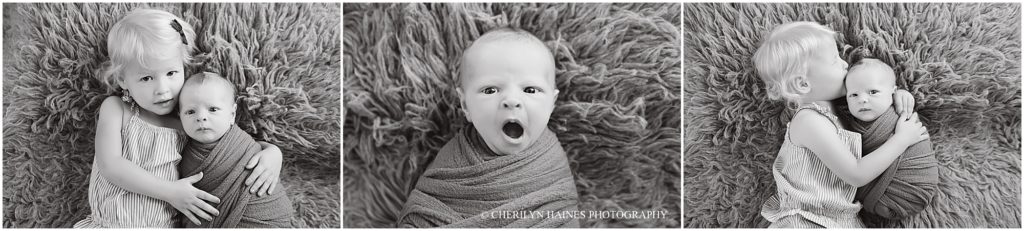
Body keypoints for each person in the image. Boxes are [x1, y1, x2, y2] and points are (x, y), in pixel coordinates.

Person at [75, 9, 283, 228]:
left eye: (171, 73)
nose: (162, 89)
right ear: (123, 80)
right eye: (146, 78)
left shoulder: (186, 122)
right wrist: (170, 192)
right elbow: (111, 166)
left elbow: (229, 145)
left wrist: (271, 152)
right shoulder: (118, 110)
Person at [751, 21, 929, 228]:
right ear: (803, 84)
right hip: (806, 220)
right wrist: (901, 139)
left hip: (841, 220)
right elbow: (856, 174)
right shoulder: (809, 121)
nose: (845, 64)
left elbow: (869, 104)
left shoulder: (841, 109)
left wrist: (892, 94)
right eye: (835, 61)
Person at [397, 27, 580, 228]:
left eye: (530, 89)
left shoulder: (552, 161)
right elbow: (422, 214)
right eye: (490, 90)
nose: (511, 100)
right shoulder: (453, 162)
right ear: (465, 105)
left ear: (551, 103)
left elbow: (564, 214)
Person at [176, 72, 295, 228]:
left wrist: (273, 151)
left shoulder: (244, 144)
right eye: (190, 112)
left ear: (232, 114)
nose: (201, 117)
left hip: (265, 216)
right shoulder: (179, 150)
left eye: (213, 109)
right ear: (180, 117)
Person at [843, 58, 939, 220]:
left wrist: (902, 95)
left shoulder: (900, 112)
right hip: (879, 194)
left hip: (913, 187)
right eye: (853, 95)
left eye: (873, 92)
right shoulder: (846, 122)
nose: (862, 99)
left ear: (893, 92)